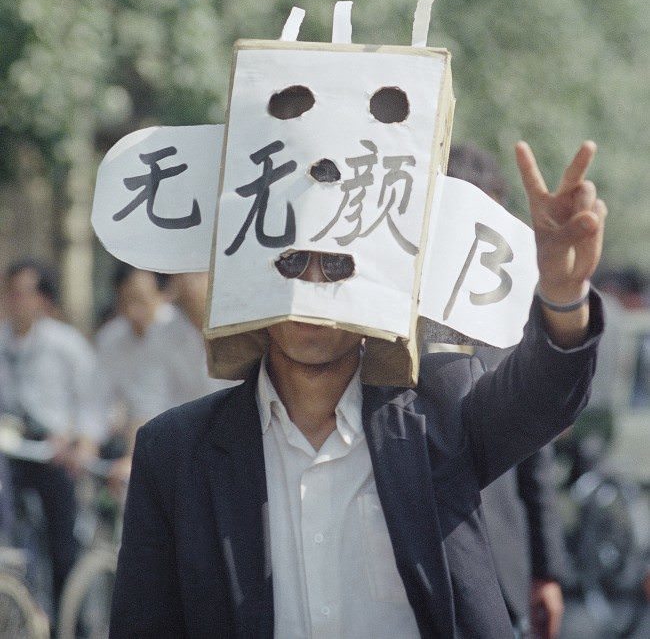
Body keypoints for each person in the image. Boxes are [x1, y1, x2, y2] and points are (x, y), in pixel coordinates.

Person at [110, 139, 606, 639]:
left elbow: (542, 399)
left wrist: (563, 300)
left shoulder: (442, 410)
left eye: (338, 265)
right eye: (292, 262)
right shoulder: (174, 453)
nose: (313, 286)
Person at [446, 142, 568, 639]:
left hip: (501, 571)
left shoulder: (507, 325)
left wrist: (547, 569)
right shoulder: (384, 326)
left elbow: (535, 458)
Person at [0, 258, 103, 616]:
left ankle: (68, 620)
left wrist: (77, 441)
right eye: (10, 293)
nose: (16, 302)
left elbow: (94, 401)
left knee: (63, 547)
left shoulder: (65, 344)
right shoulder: (2, 342)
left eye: (25, 293)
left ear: (43, 299)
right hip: (12, 453)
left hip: (54, 455)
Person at [95, 264, 229, 483]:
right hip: (188, 452)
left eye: (197, 273)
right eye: (183, 273)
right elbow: (148, 403)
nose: (189, 283)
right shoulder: (161, 335)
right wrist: (132, 458)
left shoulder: (244, 328)